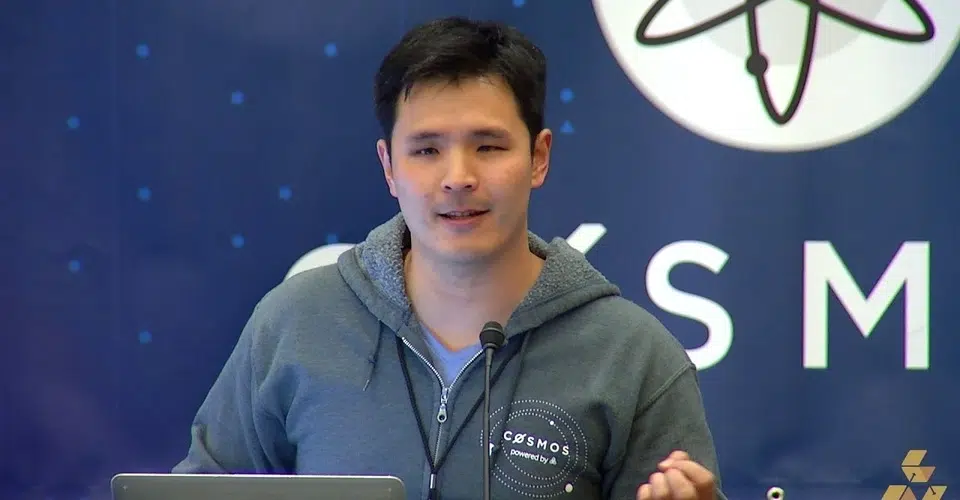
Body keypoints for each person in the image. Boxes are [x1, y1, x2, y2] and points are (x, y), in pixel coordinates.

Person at [172, 16, 727, 500]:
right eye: (427, 150)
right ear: (389, 167)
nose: (458, 177)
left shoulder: (633, 356)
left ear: (538, 157)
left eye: (489, 146)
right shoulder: (295, 322)